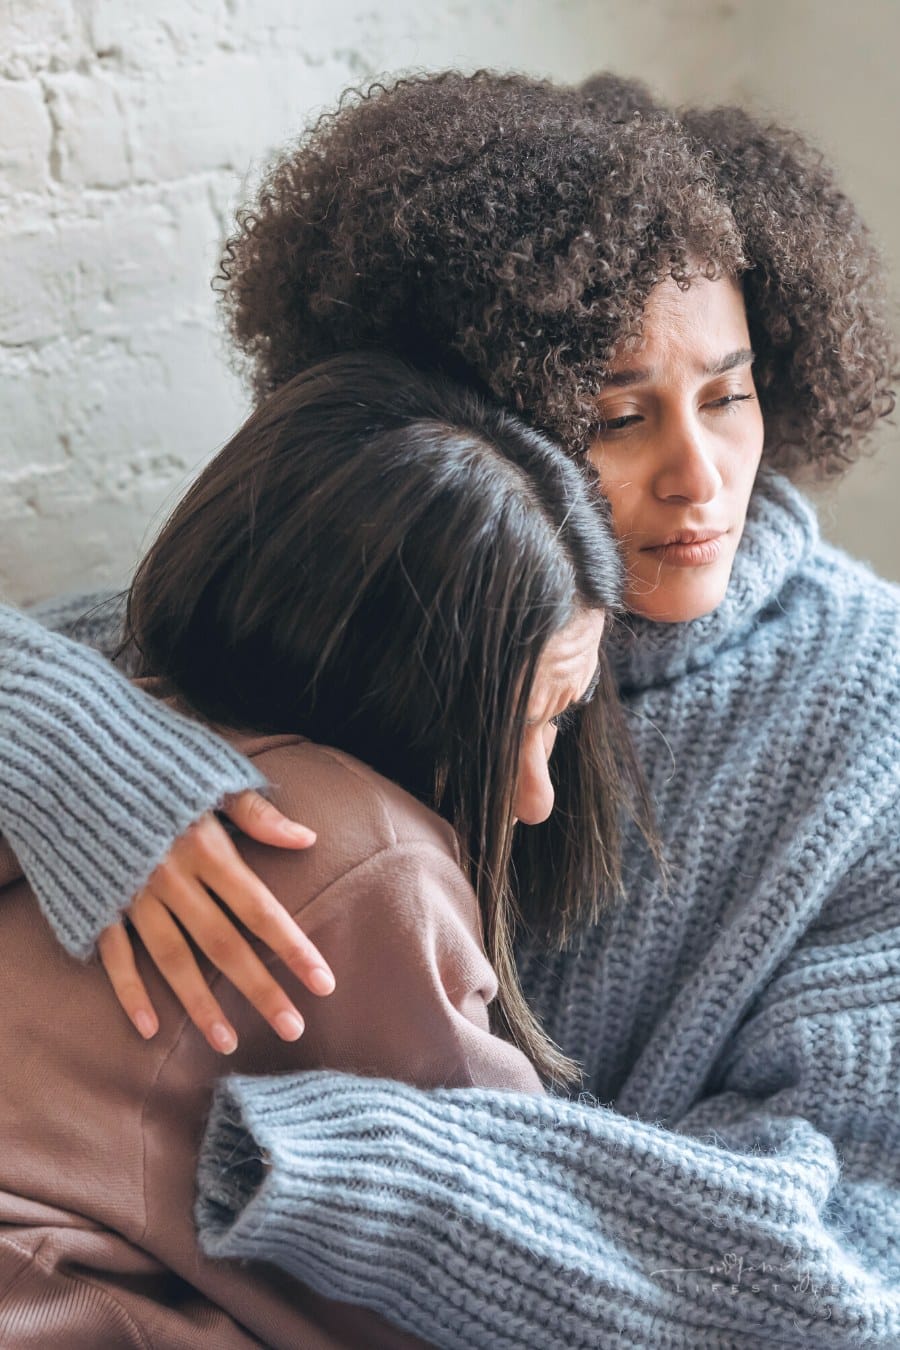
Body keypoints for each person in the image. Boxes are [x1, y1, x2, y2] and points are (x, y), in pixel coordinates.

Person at [2, 68, 899, 1346]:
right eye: (618, 414)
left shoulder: (870, 718)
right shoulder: (395, 590)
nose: (702, 478)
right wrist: (61, 747)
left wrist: (349, 1156)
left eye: (730, 392)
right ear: (471, 424)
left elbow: (852, 1263)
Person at [0, 351, 639, 1347]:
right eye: (517, 725)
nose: (537, 794)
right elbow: (518, 1249)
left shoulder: (108, 711)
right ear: (388, 685)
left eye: (563, 720)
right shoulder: (358, 851)